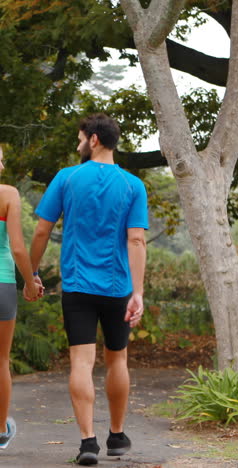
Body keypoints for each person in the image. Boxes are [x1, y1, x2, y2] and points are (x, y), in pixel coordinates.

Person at [29, 113, 148, 466]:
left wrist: (31, 273)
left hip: (78, 287)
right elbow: (137, 239)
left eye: (80, 138)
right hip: (118, 288)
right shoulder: (133, 185)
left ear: (93, 139)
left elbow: (40, 232)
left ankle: (87, 443)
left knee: (81, 362)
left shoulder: (67, 178)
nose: (78, 144)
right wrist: (137, 292)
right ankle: (116, 435)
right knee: (118, 358)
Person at [0, 146, 41, 450]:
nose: (2, 166)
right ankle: (1, 430)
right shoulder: (8, 194)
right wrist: (30, 282)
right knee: (1, 360)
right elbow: (16, 248)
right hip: (1, 284)